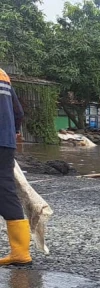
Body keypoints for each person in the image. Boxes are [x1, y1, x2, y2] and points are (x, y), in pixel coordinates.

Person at [0, 68, 31, 267]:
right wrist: (14, 132)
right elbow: (18, 112)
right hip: (6, 142)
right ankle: (21, 252)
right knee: (5, 190)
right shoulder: (3, 75)